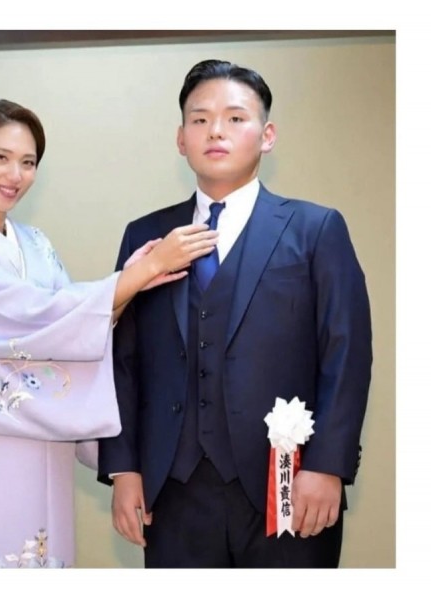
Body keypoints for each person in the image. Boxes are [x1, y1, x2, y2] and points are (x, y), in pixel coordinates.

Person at [0, 99, 217, 568]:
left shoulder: (36, 244)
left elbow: (71, 330)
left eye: (28, 162)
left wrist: (132, 284)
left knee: (42, 554)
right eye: (0, 157)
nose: (15, 175)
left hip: (42, 434)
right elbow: (33, 316)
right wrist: (139, 274)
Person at [98, 60, 372, 568]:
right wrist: (123, 468)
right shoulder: (146, 236)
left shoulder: (316, 229)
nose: (215, 131)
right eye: (199, 119)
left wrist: (328, 466)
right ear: (180, 138)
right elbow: (123, 361)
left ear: (267, 136)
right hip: (171, 491)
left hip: (288, 485)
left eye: (235, 118)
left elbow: (346, 353)